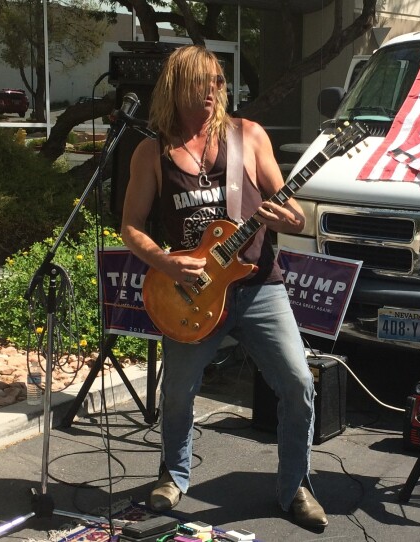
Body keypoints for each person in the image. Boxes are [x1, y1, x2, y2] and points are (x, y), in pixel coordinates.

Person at [120, 45, 327, 530]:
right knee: (176, 394)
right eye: (201, 81)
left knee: (298, 384)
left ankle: (296, 485)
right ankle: (173, 475)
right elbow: (131, 226)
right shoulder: (152, 152)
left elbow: (294, 216)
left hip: (259, 288)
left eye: (217, 80)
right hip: (189, 295)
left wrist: (288, 218)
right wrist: (165, 262)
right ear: (176, 88)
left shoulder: (248, 137)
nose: (212, 90)